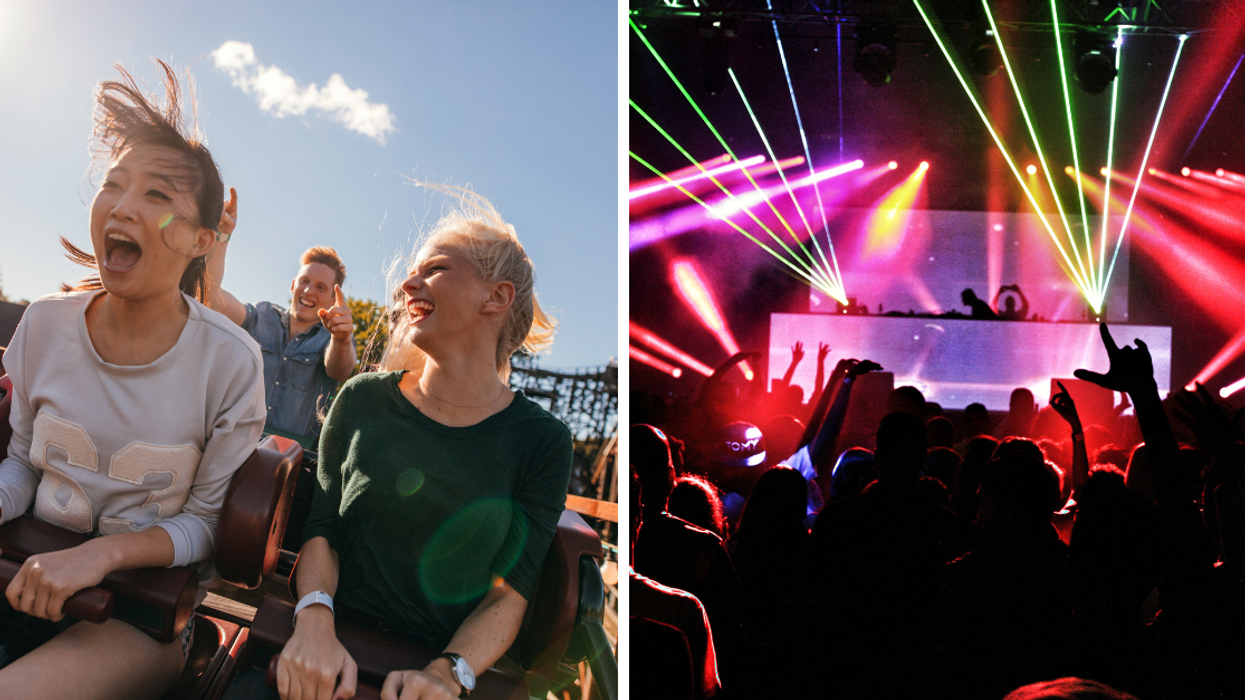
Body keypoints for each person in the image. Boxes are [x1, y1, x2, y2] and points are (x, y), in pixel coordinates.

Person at [229, 186, 571, 700]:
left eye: (434, 269)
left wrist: (447, 673)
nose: (409, 283)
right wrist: (315, 622)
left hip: (435, 675)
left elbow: (510, 593)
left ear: (496, 297)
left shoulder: (542, 441)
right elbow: (324, 529)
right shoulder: (364, 399)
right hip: (325, 650)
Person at [0, 61, 266, 699]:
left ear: (202, 238)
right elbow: (23, 463)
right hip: (19, 572)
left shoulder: (231, 361)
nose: (122, 205)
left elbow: (203, 524)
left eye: (156, 195)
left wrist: (102, 554)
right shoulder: (43, 322)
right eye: (114, 185)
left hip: (136, 616)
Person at [206, 206, 356, 439]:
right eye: (304, 281)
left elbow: (340, 371)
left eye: (320, 287)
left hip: (291, 461)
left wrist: (342, 339)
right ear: (292, 285)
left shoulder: (332, 338)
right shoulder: (263, 314)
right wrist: (221, 236)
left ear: (331, 299)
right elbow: (212, 300)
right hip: (230, 443)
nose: (308, 290)